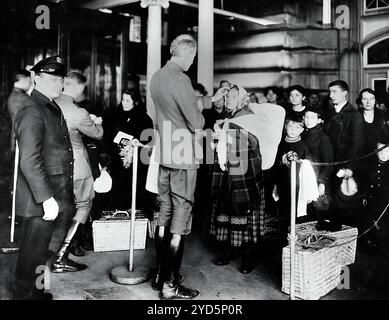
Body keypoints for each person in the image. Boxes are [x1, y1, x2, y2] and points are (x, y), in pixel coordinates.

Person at [150, 34, 226, 299]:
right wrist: (205, 114)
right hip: (183, 153)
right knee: (181, 215)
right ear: (184, 54)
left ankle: (160, 274)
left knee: (165, 210)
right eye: (192, 57)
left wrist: (210, 99)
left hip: (166, 151)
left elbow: (178, 102)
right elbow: (195, 121)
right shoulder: (182, 79)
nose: (192, 62)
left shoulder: (158, 76)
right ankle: (170, 286)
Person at [13, 56, 74, 300]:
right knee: (34, 249)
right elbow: (29, 158)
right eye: (53, 78)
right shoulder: (33, 108)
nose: (59, 84)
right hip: (41, 193)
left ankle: (35, 292)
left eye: (61, 79)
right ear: (37, 78)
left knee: (38, 249)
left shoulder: (48, 104)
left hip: (48, 190)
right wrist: (46, 197)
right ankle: (26, 295)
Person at [51, 72, 103, 272]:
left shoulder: (49, 104)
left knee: (58, 208)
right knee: (83, 205)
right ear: (80, 88)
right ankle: (61, 257)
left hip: (53, 167)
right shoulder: (78, 111)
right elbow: (97, 135)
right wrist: (96, 122)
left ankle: (50, 250)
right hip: (77, 166)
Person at [210, 85, 265, 274]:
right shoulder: (228, 117)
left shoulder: (248, 116)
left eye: (234, 96)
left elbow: (254, 142)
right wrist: (218, 137)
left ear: (242, 99)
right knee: (227, 210)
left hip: (244, 174)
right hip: (229, 171)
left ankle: (248, 258)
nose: (229, 99)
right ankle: (230, 251)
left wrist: (226, 135)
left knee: (246, 214)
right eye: (227, 97)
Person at [103, 88, 154, 212]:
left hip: (136, 162)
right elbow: (107, 135)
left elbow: (148, 140)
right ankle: (118, 212)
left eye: (128, 100)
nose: (124, 103)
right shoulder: (114, 115)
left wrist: (135, 144)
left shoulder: (144, 118)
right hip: (117, 159)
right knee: (117, 188)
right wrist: (115, 149)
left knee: (133, 188)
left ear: (135, 102)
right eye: (123, 100)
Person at [323, 80, 364, 230]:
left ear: (345, 93)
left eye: (334, 91)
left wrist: (349, 168)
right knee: (331, 201)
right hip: (330, 165)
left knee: (345, 202)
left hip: (344, 166)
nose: (331, 95)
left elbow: (357, 145)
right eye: (330, 92)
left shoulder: (354, 115)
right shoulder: (330, 113)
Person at [272, 114, 311, 243]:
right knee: (283, 216)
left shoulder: (303, 146)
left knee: (296, 217)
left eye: (297, 126)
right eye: (290, 126)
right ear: (285, 127)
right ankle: (285, 246)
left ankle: (296, 245)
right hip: (282, 186)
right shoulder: (280, 144)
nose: (293, 129)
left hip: (297, 188)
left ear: (302, 129)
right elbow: (276, 167)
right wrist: (275, 185)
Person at [302, 106, 334, 219]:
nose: (308, 120)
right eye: (306, 117)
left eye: (312, 117)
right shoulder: (303, 135)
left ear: (319, 120)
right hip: (306, 179)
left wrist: (322, 183)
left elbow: (329, 163)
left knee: (318, 211)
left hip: (318, 180)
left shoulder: (323, 138)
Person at [360, 131, 389, 255]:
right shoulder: (371, 164)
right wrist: (366, 195)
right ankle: (372, 243)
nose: (383, 155)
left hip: (386, 202)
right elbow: (367, 182)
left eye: (387, 152)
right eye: (380, 151)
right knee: (371, 221)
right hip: (373, 199)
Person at [7, 69, 33, 153]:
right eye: (29, 80)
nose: (30, 83)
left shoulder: (14, 95)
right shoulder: (23, 98)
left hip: (17, 139)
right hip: (22, 141)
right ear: (22, 78)